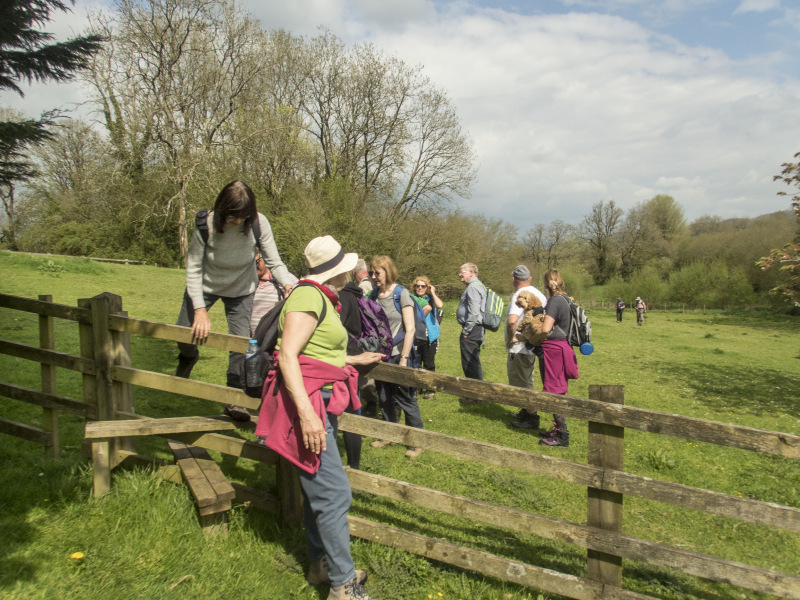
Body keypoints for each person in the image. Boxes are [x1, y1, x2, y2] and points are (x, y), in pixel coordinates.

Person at [254, 235, 381, 600]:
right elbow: (289, 356)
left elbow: (313, 350)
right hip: (308, 405)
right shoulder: (309, 296)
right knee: (335, 493)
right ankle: (344, 585)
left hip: (316, 400)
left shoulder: (320, 297)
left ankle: (320, 565)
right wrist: (309, 417)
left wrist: (352, 360)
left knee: (317, 491)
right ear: (335, 270)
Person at [174, 181, 295, 422]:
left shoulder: (259, 223)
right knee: (182, 332)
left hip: (241, 289)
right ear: (221, 209)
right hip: (206, 285)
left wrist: (288, 283)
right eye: (232, 216)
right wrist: (199, 309)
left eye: (242, 217)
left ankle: (233, 397)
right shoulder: (205, 223)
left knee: (241, 344)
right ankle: (188, 357)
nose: (237, 221)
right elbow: (194, 267)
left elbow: (274, 261)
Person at [368, 255, 424, 458]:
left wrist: (403, 358)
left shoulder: (402, 294)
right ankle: (389, 435)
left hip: (400, 354)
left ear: (388, 271)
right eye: (372, 273)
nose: (374, 276)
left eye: (378, 272)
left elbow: (409, 329)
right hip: (380, 355)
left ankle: (417, 442)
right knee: (383, 397)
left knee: (405, 398)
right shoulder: (373, 295)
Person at [536, 269, 578, 448]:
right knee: (558, 389)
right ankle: (558, 430)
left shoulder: (554, 301)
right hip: (563, 347)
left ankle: (562, 435)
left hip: (554, 350)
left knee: (554, 391)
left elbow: (546, 328)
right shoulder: (567, 299)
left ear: (546, 285)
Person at [506, 265, 548, 429]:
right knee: (525, 379)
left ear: (513, 280)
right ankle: (525, 411)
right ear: (529, 279)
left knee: (521, 383)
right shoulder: (539, 294)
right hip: (532, 345)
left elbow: (512, 320)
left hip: (520, 348)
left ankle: (532, 417)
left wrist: (512, 338)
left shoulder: (520, 295)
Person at [456, 262, 486, 403]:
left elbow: (474, 312)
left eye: (462, 271)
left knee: (469, 362)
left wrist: (467, 330)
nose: (460, 274)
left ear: (471, 273)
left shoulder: (473, 288)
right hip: (476, 328)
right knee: (473, 360)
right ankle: (478, 394)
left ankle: (474, 396)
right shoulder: (477, 286)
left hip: (472, 329)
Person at [410, 276, 443, 399]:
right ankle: (417, 387)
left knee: (429, 364)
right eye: (417, 286)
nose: (419, 288)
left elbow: (439, 305)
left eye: (423, 286)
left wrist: (433, 292)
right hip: (416, 336)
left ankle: (430, 389)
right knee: (416, 363)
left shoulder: (430, 299)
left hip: (430, 336)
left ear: (427, 287)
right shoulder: (411, 298)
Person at [250, 250, 294, 335]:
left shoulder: (285, 279)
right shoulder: (246, 282)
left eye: (256, 262)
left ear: (265, 259)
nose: (253, 267)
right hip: (249, 341)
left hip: (273, 340)